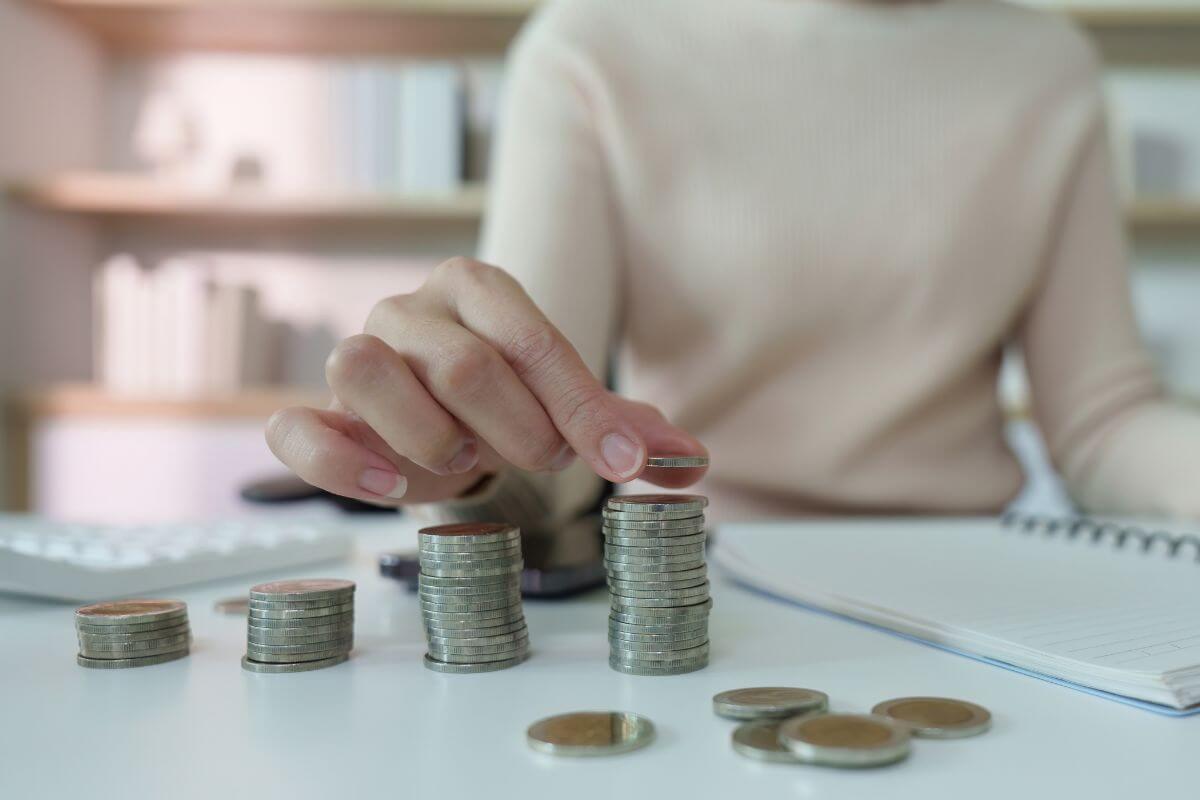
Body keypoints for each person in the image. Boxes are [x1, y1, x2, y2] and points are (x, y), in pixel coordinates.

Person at [266, 0, 1200, 533]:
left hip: (975, 578)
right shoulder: (589, 48)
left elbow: (1103, 419)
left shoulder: (1047, 64)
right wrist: (461, 450)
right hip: (700, 570)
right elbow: (548, 442)